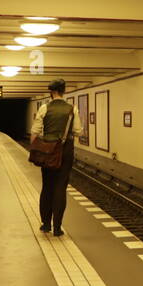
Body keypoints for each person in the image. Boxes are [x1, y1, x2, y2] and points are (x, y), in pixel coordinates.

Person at [31, 79, 82, 236]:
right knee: (61, 187)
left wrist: (38, 148)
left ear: (51, 92)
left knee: (47, 186)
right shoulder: (72, 109)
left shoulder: (45, 108)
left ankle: (46, 225)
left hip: (48, 150)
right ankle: (58, 227)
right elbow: (78, 131)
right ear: (63, 91)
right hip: (65, 150)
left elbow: (34, 133)